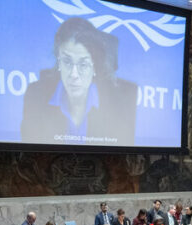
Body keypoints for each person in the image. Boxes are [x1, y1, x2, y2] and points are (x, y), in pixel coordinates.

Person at [20, 17, 137, 145]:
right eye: (67, 61)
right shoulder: (35, 95)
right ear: (58, 61)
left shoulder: (119, 104)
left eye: (83, 64)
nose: (74, 74)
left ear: (95, 67)